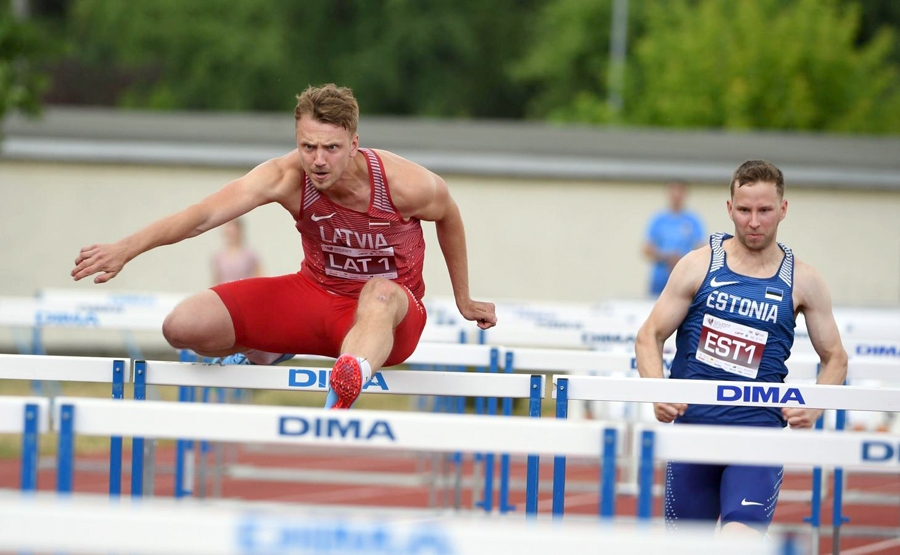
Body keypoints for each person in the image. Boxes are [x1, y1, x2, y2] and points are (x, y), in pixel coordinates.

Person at [71, 83, 497, 409]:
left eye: (331, 148)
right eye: (308, 146)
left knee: (379, 290)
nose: (318, 160)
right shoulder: (285, 176)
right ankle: (268, 349)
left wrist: (463, 298)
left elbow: (449, 217)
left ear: (353, 143)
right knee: (184, 325)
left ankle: (342, 394)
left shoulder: (404, 184)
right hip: (317, 297)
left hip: (391, 316)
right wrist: (126, 247)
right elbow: (203, 215)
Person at [634, 160, 847, 535]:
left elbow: (835, 358)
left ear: (782, 210)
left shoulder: (804, 280)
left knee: (739, 542)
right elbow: (649, 335)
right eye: (745, 210)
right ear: (730, 208)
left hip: (757, 437)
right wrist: (657, 391)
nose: (753, 221)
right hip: (693, 435)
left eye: (764, 210)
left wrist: (814, 405)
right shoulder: (698, 265)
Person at [643, 180, 706, 296]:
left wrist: (681, 259)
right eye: (673, 191)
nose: (676, 196)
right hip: (660, 279)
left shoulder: (693, 220)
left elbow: (702, 248)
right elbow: (646, 249)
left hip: (685, 278)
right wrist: (667, 258)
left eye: (680, 192)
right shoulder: (658, 219)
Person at [211, 218, 262, 284]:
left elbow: (259, 276)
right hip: (225, 292)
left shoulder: (250, 254)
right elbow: (216, 279)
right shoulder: (219, 257)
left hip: (245, 291)